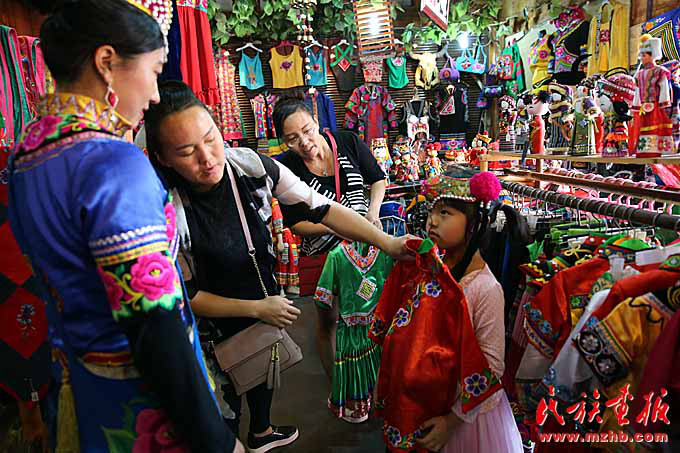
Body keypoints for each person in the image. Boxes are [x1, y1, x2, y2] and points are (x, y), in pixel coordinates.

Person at [8, 1, 243, 452]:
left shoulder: (27, 155)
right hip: (146, 407)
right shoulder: (113, 163)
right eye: (154, 71)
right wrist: (217, 440)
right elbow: (154, 323)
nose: (154, 95)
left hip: (81, 385)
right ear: (106, 62)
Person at [143, 80, 413, 453]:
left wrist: (387, 242)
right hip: (208, 333)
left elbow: (322, 208)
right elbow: (186, 295)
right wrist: (258, 308)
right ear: (162, 158)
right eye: (187, 151)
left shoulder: (252, 167)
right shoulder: (162, 208)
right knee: (222, 418)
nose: (207, 158)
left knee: (263, 371)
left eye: (211, 138)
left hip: (261, 311)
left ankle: (262, 432)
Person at [370, 172, 523, 453]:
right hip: (417, 403)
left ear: (475, 224)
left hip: (458, 417)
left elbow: (492, 365)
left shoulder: (485, 288)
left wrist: (452, 421)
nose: (432, 220)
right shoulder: (429, 266)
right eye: (432, 211)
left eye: (445, 213)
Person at [273, 98, 387, 257]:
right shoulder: (287, 168)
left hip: (366, 246)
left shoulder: (348, 141)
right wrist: (334, 226)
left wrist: (373, 212)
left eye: (307, 131)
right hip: (325, 257)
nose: (304, 142)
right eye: (293, 139)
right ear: (284, 141)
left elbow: (377, 179)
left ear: (316, 122)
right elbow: (294, 223)